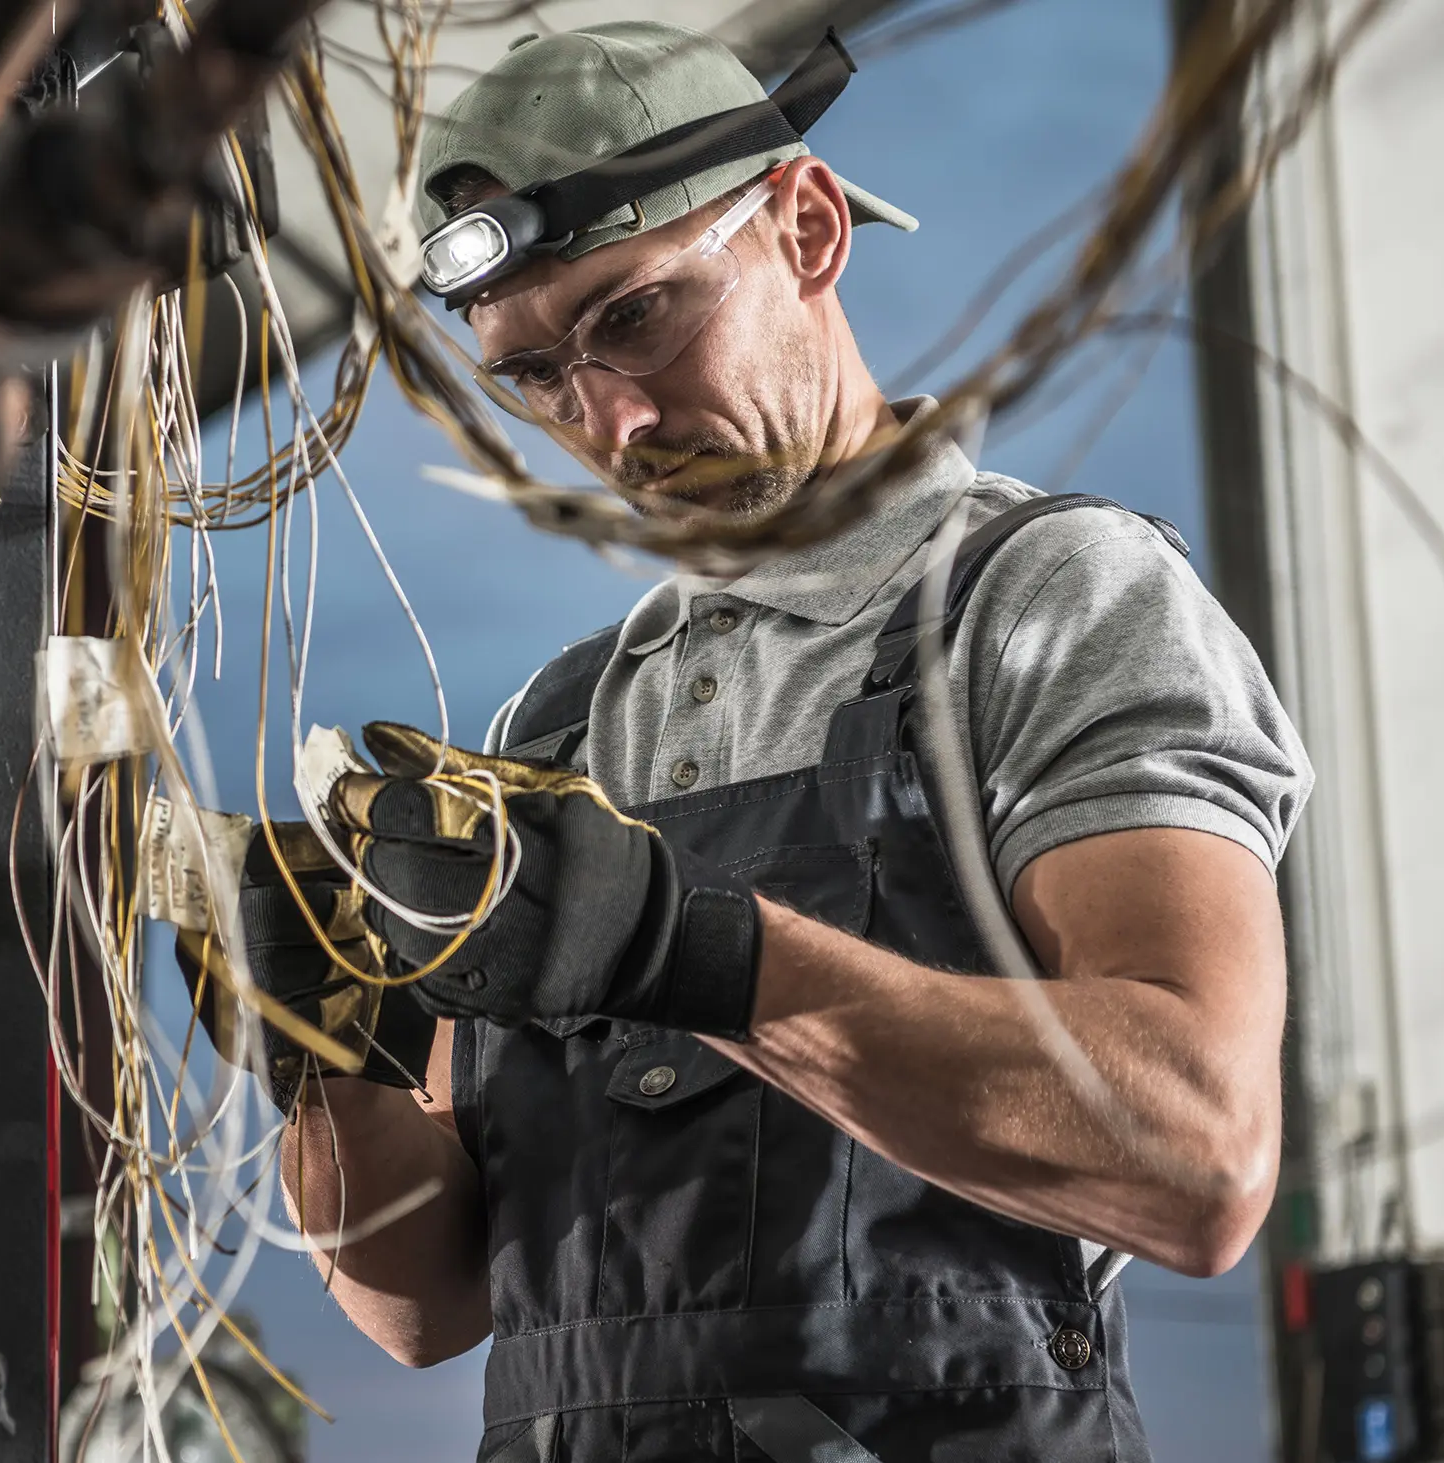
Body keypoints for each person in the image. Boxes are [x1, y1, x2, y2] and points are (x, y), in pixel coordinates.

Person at [201, 22, 1314, 1463]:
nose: (613, 423)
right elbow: (428, 1304)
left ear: (806, 224)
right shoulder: (556, 723)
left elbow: (1200, 1153)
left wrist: (696, 956)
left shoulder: (1046, 602)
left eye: (637, 317)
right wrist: (319, 1048)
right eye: (535, 376)